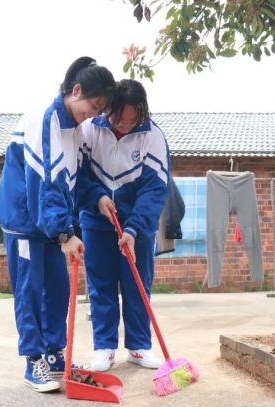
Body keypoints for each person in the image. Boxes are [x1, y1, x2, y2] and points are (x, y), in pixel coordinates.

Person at [0, 57, 116, 392]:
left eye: (98, 110)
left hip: (49, 224)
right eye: (92, 105)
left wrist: (97, 197)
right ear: (76, 90)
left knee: (58, 290)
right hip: (25, 220)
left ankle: (53, 353)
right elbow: (45, 183)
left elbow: (75, 178)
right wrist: (64, 232)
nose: (92, 114)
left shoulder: (74, 130)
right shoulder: (44, 119)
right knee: (30, 290)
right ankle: (33, 360)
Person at [77, 79, 169, 372]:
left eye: (134, 119)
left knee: (137, 285)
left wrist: (133, 229)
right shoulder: (90, 129)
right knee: (100, 285)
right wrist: (97, 197)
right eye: (120, 117)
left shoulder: (152, 136)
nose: (126, 125)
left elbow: (154, 189)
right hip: (96, 219)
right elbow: (78, 175)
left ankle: (139, 346)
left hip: (137, 226)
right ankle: (104, 347)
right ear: (110, 109)